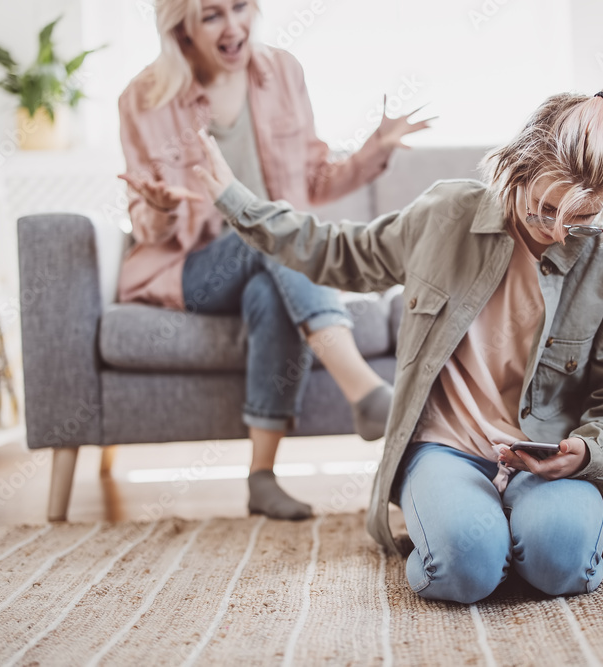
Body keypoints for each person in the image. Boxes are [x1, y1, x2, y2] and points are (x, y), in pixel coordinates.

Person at [192, 85, 603, 603]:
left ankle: (513, 536)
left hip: (549, 460)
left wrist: (583, 454)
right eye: (543, 208)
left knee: (563, 564)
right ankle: (485, 539)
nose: (556, 231)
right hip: (449, 449)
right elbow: (337, 252)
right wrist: (234, 200)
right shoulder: (446, 214)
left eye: (580, 218)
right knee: (464, 571)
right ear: (519, 167)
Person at [116, 0, 432, 521]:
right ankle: (368, 394)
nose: (234, 24)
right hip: (193, 268)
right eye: (212, 14)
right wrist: (157, 208)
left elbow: (315, 179)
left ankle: (260, 478)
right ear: (183, 28)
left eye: (241, 6)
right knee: (271, 229)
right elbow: (148, 223)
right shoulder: (144, 97)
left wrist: (375, 148)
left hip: (273, 266)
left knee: (272, 263)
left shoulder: (282, 72)